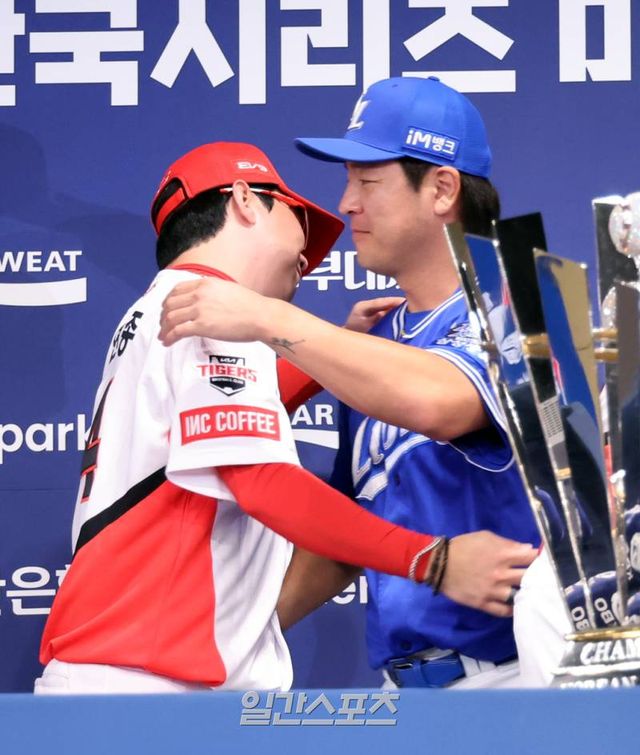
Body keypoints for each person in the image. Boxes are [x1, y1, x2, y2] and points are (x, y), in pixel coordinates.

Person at [34, 140, 523, 695]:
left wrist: (326, 357)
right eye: (298, 220)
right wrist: (431, 560)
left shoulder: (159, 307)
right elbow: (262, 480)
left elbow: (216, 428)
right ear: (245, 200)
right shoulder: (212, 307)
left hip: (119, 667)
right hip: (148, 678)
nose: (306, 258)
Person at [158, 77, 541, 689]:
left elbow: (441, 401)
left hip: (518, 676)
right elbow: (344, 536)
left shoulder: (519, 300)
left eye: (367, 181)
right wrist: (216, 653)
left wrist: (265, 317)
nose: (346, 204)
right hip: (405, 688)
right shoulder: (375, 341)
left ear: (442, 189)